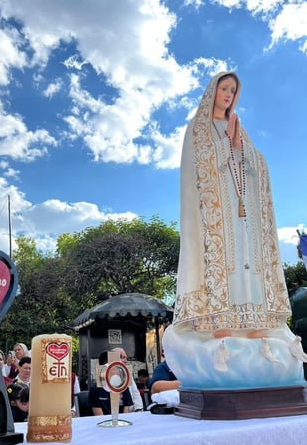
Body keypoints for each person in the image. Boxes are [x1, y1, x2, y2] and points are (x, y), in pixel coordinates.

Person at [163, 71, 307, 390]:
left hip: (242, 216)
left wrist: (240, 145)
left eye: (233, 90)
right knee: (220, 266)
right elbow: (197, 169)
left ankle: (253, 323)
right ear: (212, 91)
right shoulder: (198, 128)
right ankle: (219, 323)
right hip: (215, 216)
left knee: (248, 263)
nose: (228, 94)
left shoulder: (238, 127)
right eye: (223, 88)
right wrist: (225, 146)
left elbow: (257, 165)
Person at [88, 351, 133, 415]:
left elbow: (126, 414)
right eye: (114, 368)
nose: (118, 371)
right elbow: (99, 416)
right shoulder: (95, 389)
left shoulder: (123, 387)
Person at [111, 347, 143, 412]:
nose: (126, 361)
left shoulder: (128, 374)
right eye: (122, 357)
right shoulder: (107, 376)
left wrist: (139, 409)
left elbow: (135, 392)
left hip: (131, 412)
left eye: (126, 358)